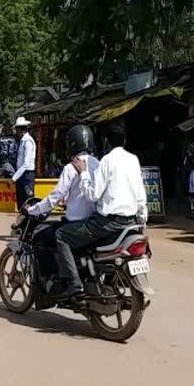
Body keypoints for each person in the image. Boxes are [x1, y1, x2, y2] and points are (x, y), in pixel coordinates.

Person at [52, 119, 147, 300]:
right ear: (125, 140)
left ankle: (74, 283)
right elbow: (141, 194)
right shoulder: (133, 160)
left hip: (108, 223)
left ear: (106, 142)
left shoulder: (106, 161)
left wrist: (84, 172)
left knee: (61, 235)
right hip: (131, 223)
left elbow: (92, 195)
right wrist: (142, 221)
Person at [25, 125, 99, 222]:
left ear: (72, 144)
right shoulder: (98, 164)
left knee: (40, 235)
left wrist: (31, 210)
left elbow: (55, 198)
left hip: (74, 223)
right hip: (93, 221)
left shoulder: (71, 167)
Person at [11, 117, 36, 211]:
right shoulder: (23, 141)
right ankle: (21, 222)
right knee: (21, 202)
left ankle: (27, 223)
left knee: (28, 202)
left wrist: (14, 177)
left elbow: (26, 163)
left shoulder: (28, 142)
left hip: (26, 175)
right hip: (22, 175)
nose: (16, 132)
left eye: (16, 129)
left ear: (21, 130)